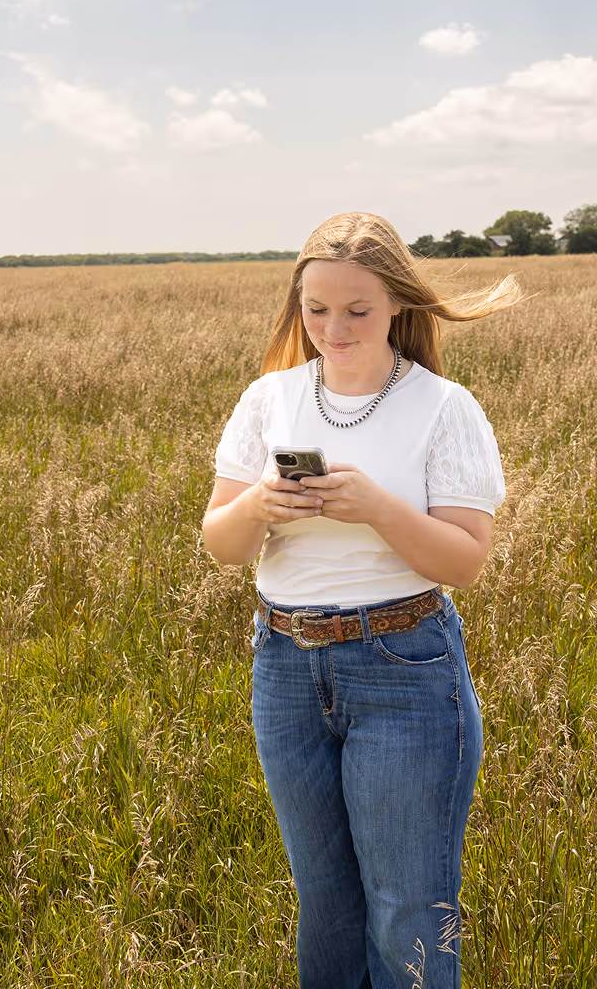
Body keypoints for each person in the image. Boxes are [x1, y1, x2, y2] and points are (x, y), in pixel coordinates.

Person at [202, 212, 519, 989]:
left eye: (357, 310)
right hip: (284, 666)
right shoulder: (268, 398)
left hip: (403, 665)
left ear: (398, 308)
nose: (333, 328)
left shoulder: (444, 407)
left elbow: (467, 560)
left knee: (408, 913)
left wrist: (377, 507)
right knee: (327, 905)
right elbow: (223, 543)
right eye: (316, 310)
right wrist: (261, 507)